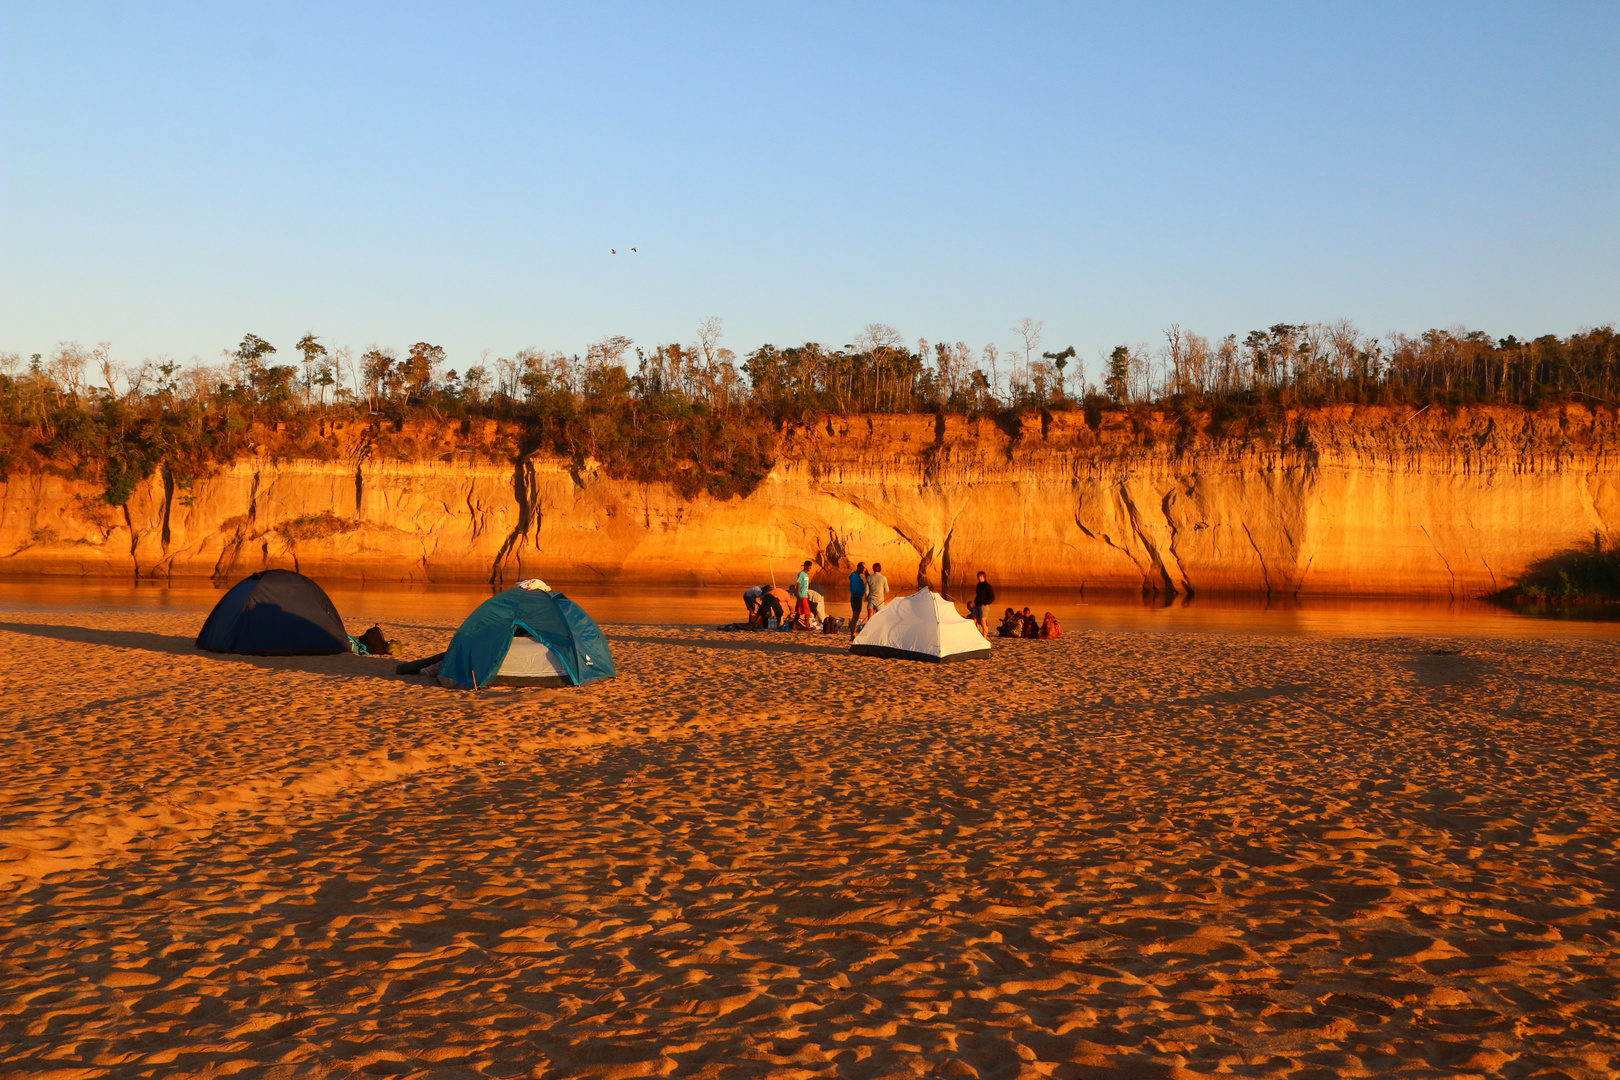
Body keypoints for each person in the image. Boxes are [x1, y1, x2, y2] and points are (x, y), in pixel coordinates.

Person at [847, 562, 869, 638]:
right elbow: (855, 589)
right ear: (858, 567)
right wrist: (865, 591)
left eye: (865, 568)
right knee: (855, 616)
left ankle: (854, 633)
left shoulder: (858, 577)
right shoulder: (855, 577)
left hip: (857, 598)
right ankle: (853, 634)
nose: (864, 569)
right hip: (856, 598)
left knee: (856, 616)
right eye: (863, 567)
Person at [972, 571, 996, 637]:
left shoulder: (987, 586)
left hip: (984, 605)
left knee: (983, 620)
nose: (980, 578)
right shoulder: (978, 585)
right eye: (979, 577)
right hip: (977, 604)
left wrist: (986, 603)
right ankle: (975, 635)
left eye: (981, 577)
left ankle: (985, 636)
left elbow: (992, 597)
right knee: (974, 620)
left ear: (984, 577)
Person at [794, 560, 814, 630]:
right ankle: (807, 627)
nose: (810, 568)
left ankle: (794, 626)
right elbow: (798, 584)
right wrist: (798, 595)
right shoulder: (801, 574)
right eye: (809, 567)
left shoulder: (806, 575)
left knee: (798, 612)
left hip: (805, 594)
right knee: (807, 612)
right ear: (805, 566)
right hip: (802, 595)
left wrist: (807, 593)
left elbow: (806, 585)